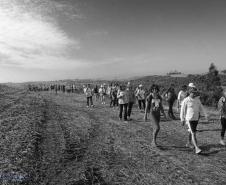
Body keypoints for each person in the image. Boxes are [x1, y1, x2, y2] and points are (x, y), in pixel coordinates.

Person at [180, 87, 208, 154]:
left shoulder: (197, 100)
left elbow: (201, 107)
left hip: (196, 119)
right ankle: (196, 148)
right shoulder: (186, 100)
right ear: (190, 92)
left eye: (195, 93)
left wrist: (205, 115)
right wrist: (182, 119)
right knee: (193, 133)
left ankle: (188, 143)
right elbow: (182, 110)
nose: (195, 94)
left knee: (191, 131)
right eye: (193, 93)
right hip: (189, 119)